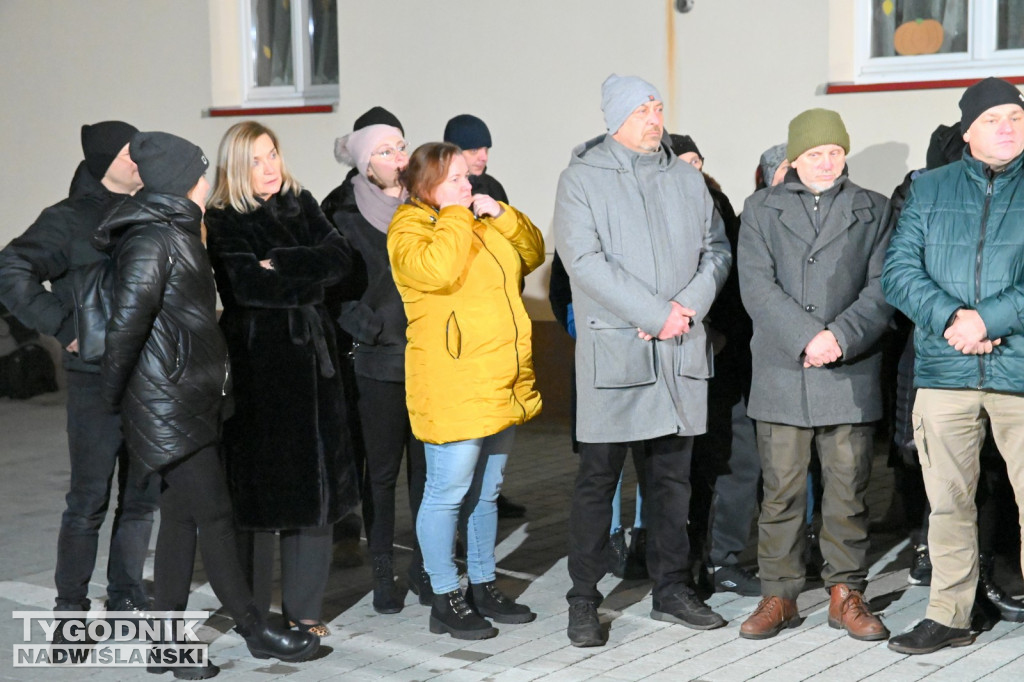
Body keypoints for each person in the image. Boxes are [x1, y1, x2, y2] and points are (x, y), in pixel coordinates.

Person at [96, 131, 319, 676]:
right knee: (216, 515)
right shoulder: (155, 239)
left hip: (185, 396)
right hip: (168, 402)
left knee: (180, 519)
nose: (206, 181)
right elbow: (126, 325)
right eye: (199, 173)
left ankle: (164, 648)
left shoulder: (174, 230)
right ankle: (255, 629)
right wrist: (116, 400)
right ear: (179, 180)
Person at [554, 74, 732, 647]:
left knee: (671, 480)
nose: (653, 119)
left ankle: (671, 588)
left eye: (657, 108)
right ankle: (583, 597)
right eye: (640, 111)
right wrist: (658, 314)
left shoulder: (686, 178)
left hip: (679, 354)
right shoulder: (581, 179)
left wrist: (689, 307)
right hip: (618, 354)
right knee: (597, 482)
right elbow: (583, 260)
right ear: (614, 118)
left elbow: (717, 250)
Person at [737, 108, 894, 642]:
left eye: (834, 152)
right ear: (794, 159)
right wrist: (807, 336)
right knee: (780, 491)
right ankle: (778, 594)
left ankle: (845, 592)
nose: (825, 163)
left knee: (848, 490)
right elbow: (755, 285)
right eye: (813, 154)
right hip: (784, 368)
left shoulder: (873, 209)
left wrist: (839, 338)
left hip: (847, 369)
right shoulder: (760, 209)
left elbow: (882, 287)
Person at [883, 77, 1024, 655]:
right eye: (993, 118)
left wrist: (985, 322)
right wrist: (952, 320)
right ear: (967, 130)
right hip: (946, 373)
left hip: (1019, 372)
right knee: (947, 503)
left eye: (1016, 116)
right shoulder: (928, 189)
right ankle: (949, 613)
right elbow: (898, 272)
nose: (1008, 126)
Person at [0, 121, 159, 630]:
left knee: (141, 497)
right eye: (131, 152)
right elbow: (12, 268)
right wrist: (62, 325)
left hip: (149, 375)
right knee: (89, 498)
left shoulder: (154, 210)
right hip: (94, 377)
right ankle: (70, 605)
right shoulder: (68, 219)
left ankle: (126, 595)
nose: (141, 159)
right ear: (106, 161)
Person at [204, 121, 359, 637]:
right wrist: (302, 280)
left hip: (316, 366)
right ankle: (250, 610)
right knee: (261, 496)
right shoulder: (223, 217)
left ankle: (306, 611)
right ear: (236, 167)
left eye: (272, 154)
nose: (269, 168)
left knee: (316, 495)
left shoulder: (302, 200)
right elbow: (246, 286)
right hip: (259, 367)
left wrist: (284, 263)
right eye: (256, 160)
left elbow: (341, 261)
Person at [388, 141, 544, 640]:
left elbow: (532, 255)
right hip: (452, 381)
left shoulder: (476, 220)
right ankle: (444, 594)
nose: (467, 186)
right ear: (427, 185)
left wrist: (503, 216)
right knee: (447, 492)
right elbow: (438, 269)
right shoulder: (408, 228)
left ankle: (481, 583)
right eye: (455, 178)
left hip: (498, 377)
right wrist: (457, 214)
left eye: (466, 178)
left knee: (486, 491)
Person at [331, 120, 428, 613]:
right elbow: (333, 291)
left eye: (402, 147)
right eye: (386, 151)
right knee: (383, 475)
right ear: (366, 163)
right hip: (377, 363)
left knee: (427, 474)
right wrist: (367, 328)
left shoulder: (424, 205)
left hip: (428, 360)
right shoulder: (344, 215)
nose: (398, 157)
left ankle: (428, 569)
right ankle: (383, 571)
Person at [670, 134, 760, 598]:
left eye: (697, 160)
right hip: (678, 355)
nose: (693, 168)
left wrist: (726, 333)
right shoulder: (658, 209)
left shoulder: (719, 205)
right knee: (683, 472)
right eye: (682, 160)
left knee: (735, 463)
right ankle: (682, 565)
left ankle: (723, 559)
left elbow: (733, 280)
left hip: (727, 359)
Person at [442, 113, 527, 521]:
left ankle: (491, 493)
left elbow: (515, 247)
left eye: (487, 148)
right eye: (475, 148)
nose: (483, 156)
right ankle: (458, 507)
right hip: (463, 330)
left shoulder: (492, 190)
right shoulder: (440, 194)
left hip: (498, 325)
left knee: (497, 421)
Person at [548, 252, 648, 581]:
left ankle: (646, 535)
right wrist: (586, 331)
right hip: (599, 352)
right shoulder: (580, 223)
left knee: (654, 450)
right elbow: (562, 290)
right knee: (605, 453)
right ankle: (613, 537)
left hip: (651, 347)